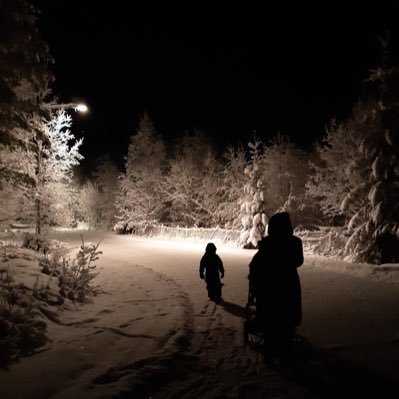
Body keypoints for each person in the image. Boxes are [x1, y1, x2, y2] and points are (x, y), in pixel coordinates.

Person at [248, 212, 303, 358]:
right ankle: (285, 349)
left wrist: (255, 279)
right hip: (288, 284)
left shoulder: (267, 243)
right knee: (287, 318)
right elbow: (298, 261)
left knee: (269, 318)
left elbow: (257, 264)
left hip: (268, 286)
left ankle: (271, 348)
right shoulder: (295, 243)